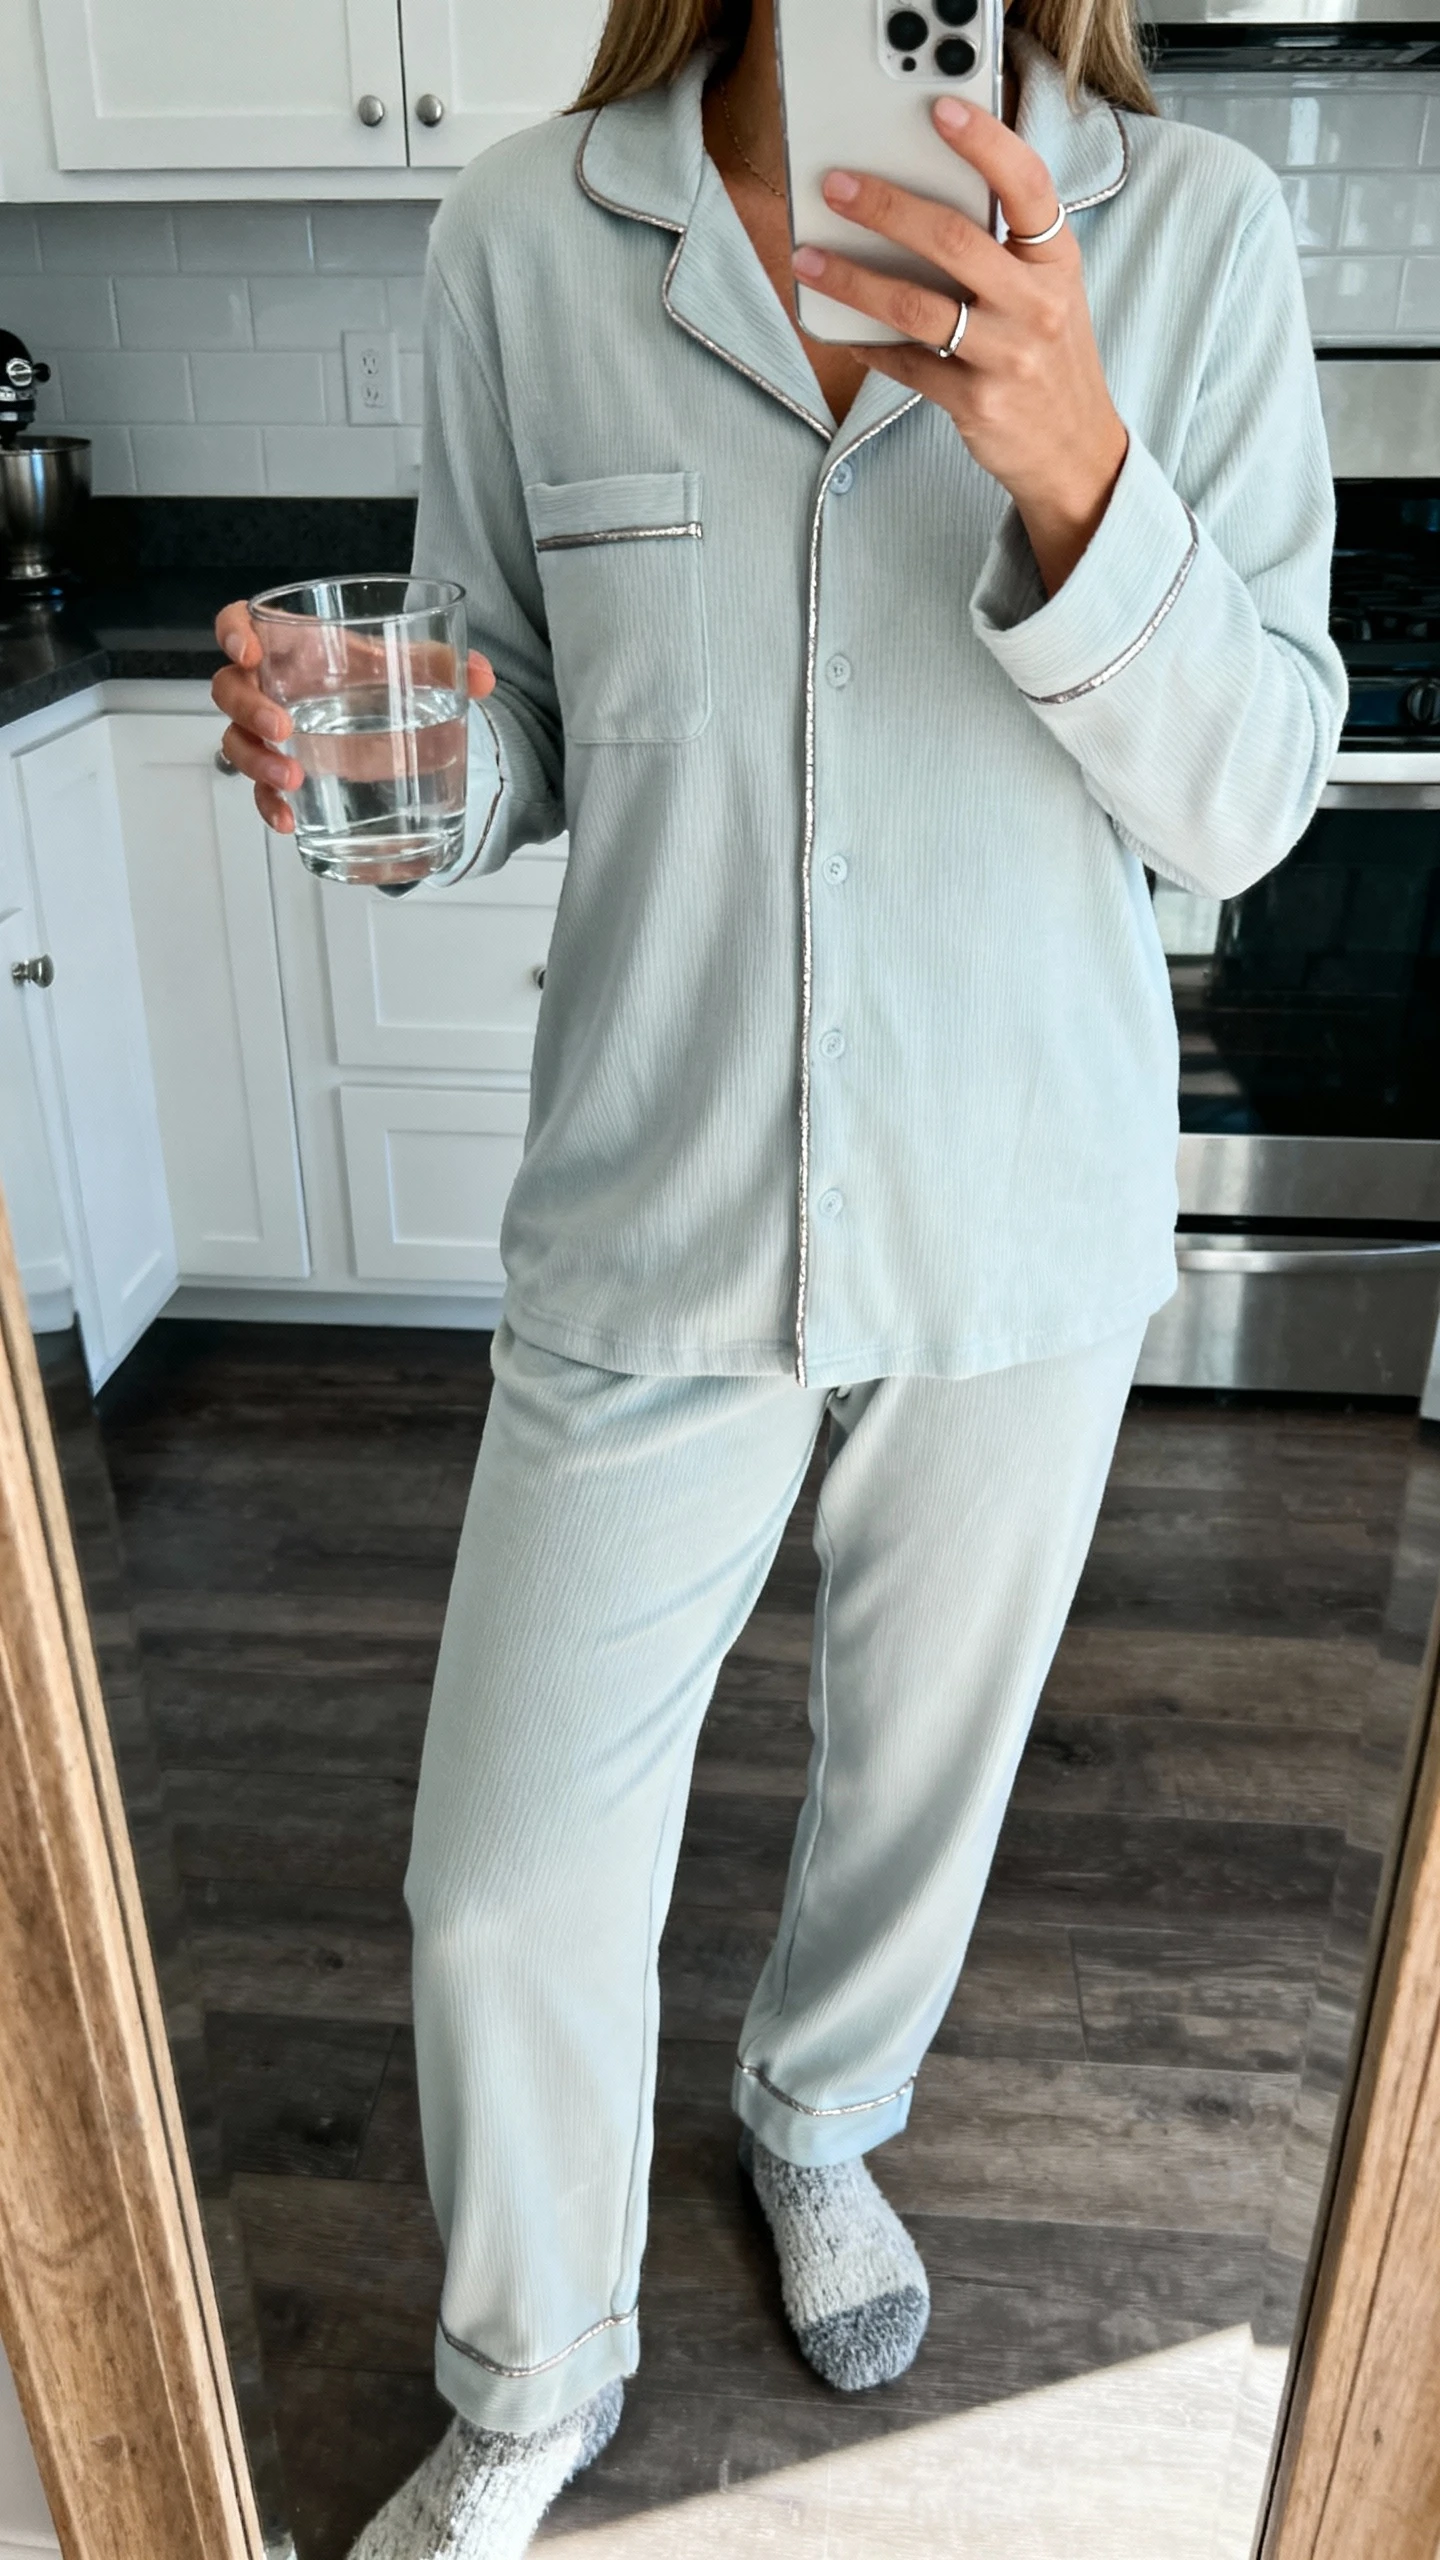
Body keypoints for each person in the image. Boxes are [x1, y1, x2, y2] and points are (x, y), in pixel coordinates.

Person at [212, 0, 1346, 2548]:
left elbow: (1255, 789)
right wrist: (382, 757)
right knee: (499, 1878)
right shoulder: (532, 230)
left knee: (914, 1794)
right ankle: (531, 2368)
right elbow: (512, 712)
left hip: (1018, 1209)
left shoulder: (1198, 242)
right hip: (656, 1202)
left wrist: (1077, 469)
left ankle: (821, 2114)